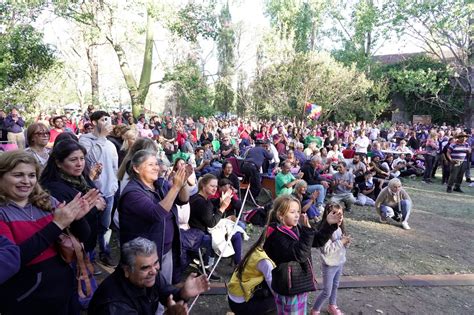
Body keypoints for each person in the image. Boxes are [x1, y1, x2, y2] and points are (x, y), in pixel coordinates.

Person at [0, 150, 99, 314]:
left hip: (66, 292)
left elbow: (83, 237)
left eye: (31, 175)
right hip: (28, 300)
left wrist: (77, 219)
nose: (26, 181)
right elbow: (12, 259)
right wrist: (56, 225)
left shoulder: (47, 201)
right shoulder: (3, 213)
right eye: (18, 175)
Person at [119, 150, 191, 288]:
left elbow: (183, 200)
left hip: (165, 249)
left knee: (163, 291)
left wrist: (183, 182)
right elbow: (157, 214)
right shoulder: (133, 193)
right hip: (144, 258)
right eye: (150, 164)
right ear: (136, 168)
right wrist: (175, 187)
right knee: (148, 293)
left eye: (157, 164)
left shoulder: (160, 185)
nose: (156, 168)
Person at [88, 237, 210, 315]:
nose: (154, 271)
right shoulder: (115, 306)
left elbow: (166, 292)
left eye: (156, 262)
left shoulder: (149, 276)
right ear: (126, 270)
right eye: (145, 267)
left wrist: (184, 293)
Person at [263, 195, 342, 314]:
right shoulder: (276, 236)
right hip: (288, 287)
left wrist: (329, 224)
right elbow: (300, 254)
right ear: (280, 215)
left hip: (299, 284)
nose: (297, 215)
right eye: (292, 212)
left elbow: (316, 240)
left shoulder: (295, 227)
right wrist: (307, 230)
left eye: (298, 211)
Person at [40, 139, 106, 273]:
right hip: (71, 248)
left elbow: (97, 196)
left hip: (87, 243)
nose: (79, 164)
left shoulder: (81, 178)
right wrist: (94, 207)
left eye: (82, 158)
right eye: (73, 160)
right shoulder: (54, 188)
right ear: (58, 163)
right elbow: (71, 221)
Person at [79, 111, 119, 267]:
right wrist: (101, 137)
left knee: (105, 226)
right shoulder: (85, 140)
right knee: (89, 228)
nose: (107, 123)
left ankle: (105, 252)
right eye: (103, 120)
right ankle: (89, 258)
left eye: (108, 120)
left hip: (109, 192)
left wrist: (114, 185)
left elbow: (115, 167)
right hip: (91, 192)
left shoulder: (110, 144)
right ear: (94, 122)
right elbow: (88, 159)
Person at [189, 174, 243, 267]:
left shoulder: (199, 197)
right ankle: (238, 265)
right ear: (203, 185)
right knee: (236, 234)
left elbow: (211, 204)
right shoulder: (201, 202)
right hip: (202, 232)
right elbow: (211, 223)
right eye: (212, 186)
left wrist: (220, 200)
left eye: (216, 186)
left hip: (201, 229)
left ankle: (236, 262)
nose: (215, 189)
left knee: (236, 229)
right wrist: (222, 208)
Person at [311, 203, 351, 315]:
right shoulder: (326, 231)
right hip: (329, 265)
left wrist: (346, 243)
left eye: (341, 214)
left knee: (335, 286)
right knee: (326, 292)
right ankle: (315, 309)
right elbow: (326, 250)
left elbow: (341, 246)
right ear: (328, 215)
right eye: (335, 214)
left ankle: (332, 305)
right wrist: (341, 242)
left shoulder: (339, 228)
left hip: (339, 262)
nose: (339, 217)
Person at [227, 230, 276, 315]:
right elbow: (274, 290)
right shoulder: (265, 261)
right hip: (240, 305)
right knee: (279, 301)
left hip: (233, 297)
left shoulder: (256, 249)